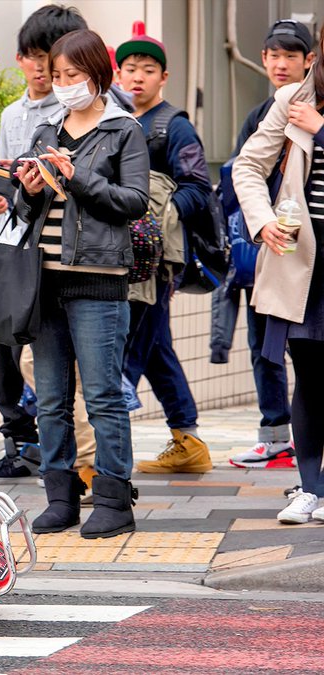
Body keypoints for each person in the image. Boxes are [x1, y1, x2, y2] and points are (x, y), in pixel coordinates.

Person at [14, 29, 149, 539]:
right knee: (49, 398)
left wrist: (77, 178)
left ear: (98, 75)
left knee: (102, 397)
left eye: (75, 75)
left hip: (98, 280)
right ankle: (59, 497)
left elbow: (133, 202)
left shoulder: (122, 131)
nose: (65, 84)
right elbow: (28, 209)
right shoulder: (47, 128)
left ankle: (114, 500)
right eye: (59, 75)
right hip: (43, 281)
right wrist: (26, 190)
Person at [0, 4, 90, 487]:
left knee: (52, 360)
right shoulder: (13, 113)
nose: (40, 69)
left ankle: (70, 457)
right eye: (31, 56)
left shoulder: (83, 112)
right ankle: (16, 445)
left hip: (58, 253)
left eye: (50, 59)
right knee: (3, 343)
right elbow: (2, 178)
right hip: (9, 249)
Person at [232, 23, 324, 525]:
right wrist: (262, 220)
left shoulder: (310, 112)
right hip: (301, 259)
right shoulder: (294, 96)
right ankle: (311, 488)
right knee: (308, 376)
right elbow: (246, 166)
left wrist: (321, 130)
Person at [115, 31, 215, 474]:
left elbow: (198, 189)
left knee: (131, 347)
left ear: (164, 77)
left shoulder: (172, 125)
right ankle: (188, 440)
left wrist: (156, 214)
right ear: (117, 74)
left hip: (155, 261)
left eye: (148, 70)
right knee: (155, 347)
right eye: (130, 69)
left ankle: (104, 451)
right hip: (120, 255)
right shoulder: (114, 118)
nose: (138, 77)